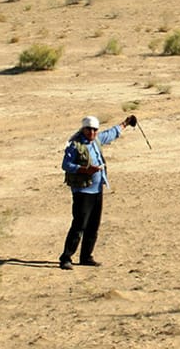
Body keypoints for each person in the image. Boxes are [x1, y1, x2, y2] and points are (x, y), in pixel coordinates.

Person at [59, 114, 137, 270]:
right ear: (83, 129)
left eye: (95, 130)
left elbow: (112, 133)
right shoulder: (75, 145)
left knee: (93, 226)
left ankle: (86, 257)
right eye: (89, 130)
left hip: (97, 190)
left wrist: (126, 123)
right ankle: (66, 258)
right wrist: (85, 170)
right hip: (83, 191)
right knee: (79, 225)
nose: (93, 133)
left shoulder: (97, 140)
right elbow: (66, 165)